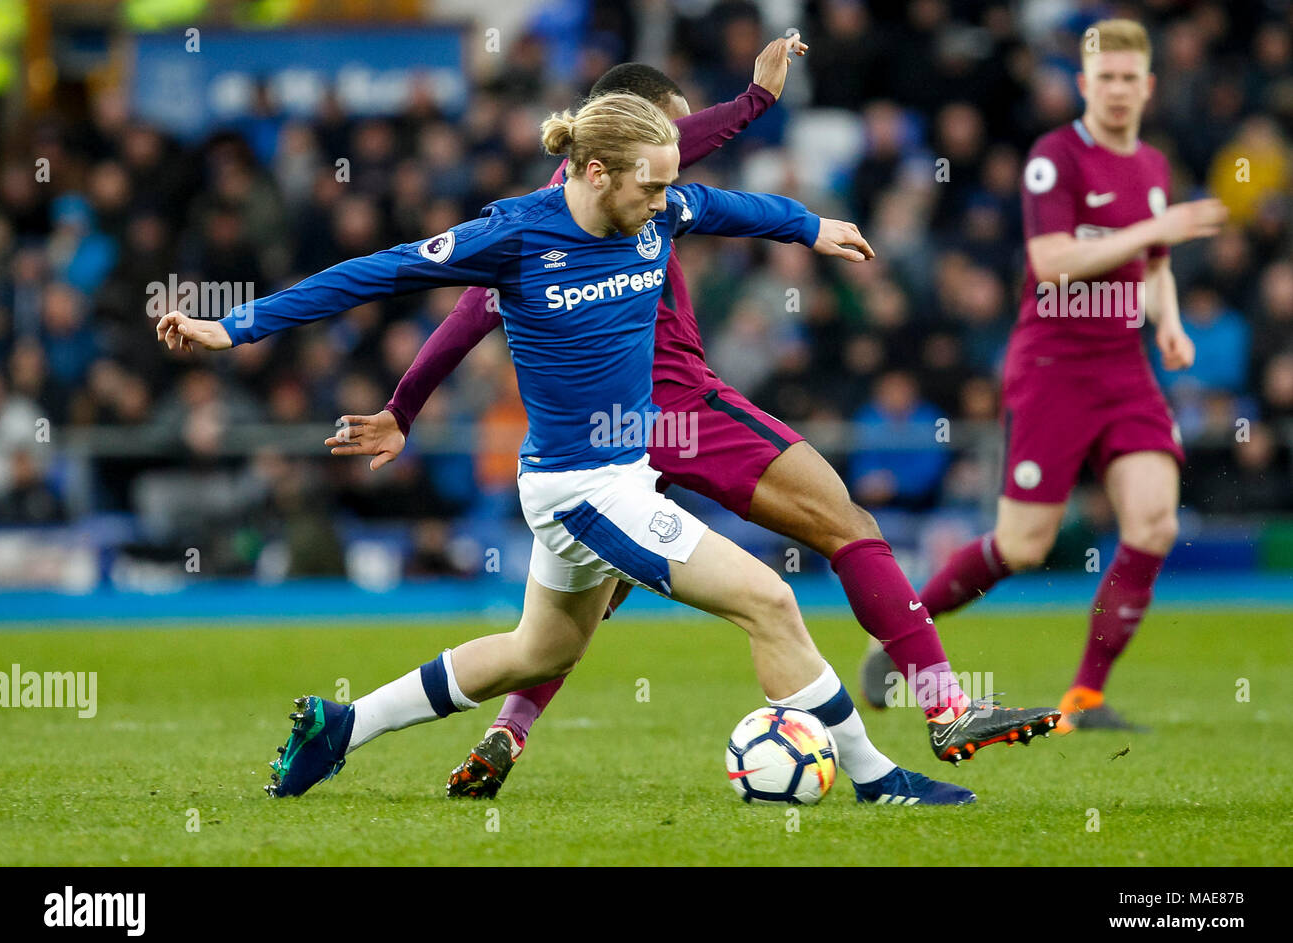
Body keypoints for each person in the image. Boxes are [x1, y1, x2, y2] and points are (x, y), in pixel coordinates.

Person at [158, 91, 977, 805]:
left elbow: (729, 206)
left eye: (667, 184)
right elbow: (374, 272)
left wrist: (812, 227)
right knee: (769, 601)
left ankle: (341, 728)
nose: (664, 201)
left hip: (613, 480)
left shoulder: (661, 207)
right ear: (593, 173)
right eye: (650, 185)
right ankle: (877, 779)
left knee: (534, 652)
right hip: (580, 489)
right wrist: (235, 327)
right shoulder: (514, 235)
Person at [330, 43, 1061, 797]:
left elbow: (468, 311)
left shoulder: (553, 215)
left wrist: (402, 407)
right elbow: (688, 146)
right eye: (667, 146)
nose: (677, 167)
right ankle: (944, 707)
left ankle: (505, 730)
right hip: (678, 407)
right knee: (849, 528)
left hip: (606, 436)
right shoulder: (616, 199)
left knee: (583, 607)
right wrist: (755, 102)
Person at [864, 19, 1228, 733]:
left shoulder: (1152, 167)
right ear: (1085, 84)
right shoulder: (1053, 160)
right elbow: (1054, 262)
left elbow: (1155, 267)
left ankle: (1084, 698)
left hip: (1124, 367)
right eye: (1106, 78)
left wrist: (1170, 321)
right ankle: (901, 634)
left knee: (1154, 522)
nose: (1119, 90)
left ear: (1148, 86)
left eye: (1131, 78)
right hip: (1053, 369)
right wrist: (1152, 234)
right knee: (1024, 546)